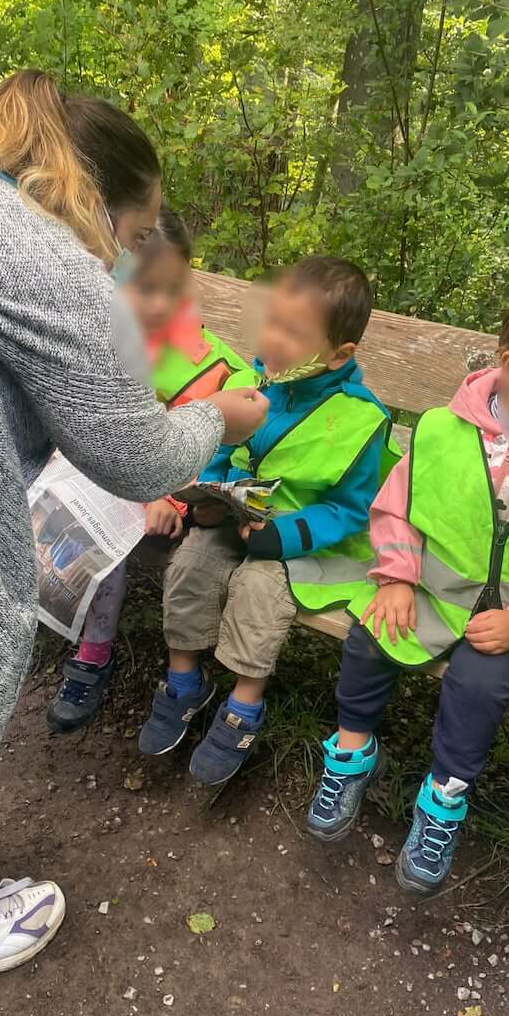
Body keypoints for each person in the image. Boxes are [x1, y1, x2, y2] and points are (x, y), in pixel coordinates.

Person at [0, 63, 267, 1013]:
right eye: (139, 236)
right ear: (104, 204)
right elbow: (134, 457)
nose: (135, 258)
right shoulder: (46, 255)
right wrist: (222, 420)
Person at [306, 281, 509, 895]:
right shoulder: (440, 434)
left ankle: (444, 797)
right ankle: (351, 751)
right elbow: (397, 509)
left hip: (508, 614)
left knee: (482, 685)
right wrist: (397, 579)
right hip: (427, 592)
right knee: (371, 636)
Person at [138, 256, 395, 786]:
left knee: (259, 590)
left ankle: (244, 704)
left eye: (293, 332)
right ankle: (185, 680)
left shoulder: (360, 418)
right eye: (271, 322)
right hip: (235, 516)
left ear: (339, 354)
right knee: (190, 564)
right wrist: (199, 497)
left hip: (297, 539)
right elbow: (217, 448)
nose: (273, 340)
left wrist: (285, 535)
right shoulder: (254, 380)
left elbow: (350, 509)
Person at [47, 205, 249, 733]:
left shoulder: (214, 364)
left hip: (168, 498)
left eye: (170, 288)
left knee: (106, 548)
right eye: (141, 288)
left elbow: (215, 456)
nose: (156, 303)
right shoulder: (98, 341)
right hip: (101, 482)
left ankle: (92, 654)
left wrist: (169, 497)